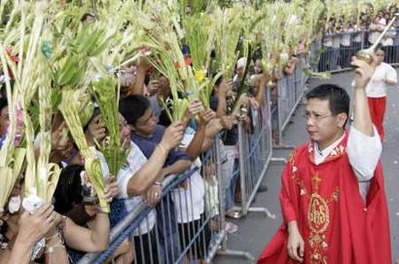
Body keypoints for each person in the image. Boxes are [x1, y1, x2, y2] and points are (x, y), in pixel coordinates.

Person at [257, 56, 391, 263]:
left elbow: (364, 149)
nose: (310, 123)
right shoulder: (298, 157)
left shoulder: (355, 159)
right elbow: (287, 197)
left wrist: (360, 90)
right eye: (307, 115)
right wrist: (293, 228)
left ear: (340, 119)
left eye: (318, 116)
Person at [362, 46, 397, 140]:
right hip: (368, 95)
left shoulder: (387, 68)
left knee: (378, 117)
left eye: (382, 55)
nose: (379, 57)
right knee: (369, 117)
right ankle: (368, 135)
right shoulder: (366, 66)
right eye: (377, 55)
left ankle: (378, 135)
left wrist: (385, 80)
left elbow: (393, 81)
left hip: (380, 96)